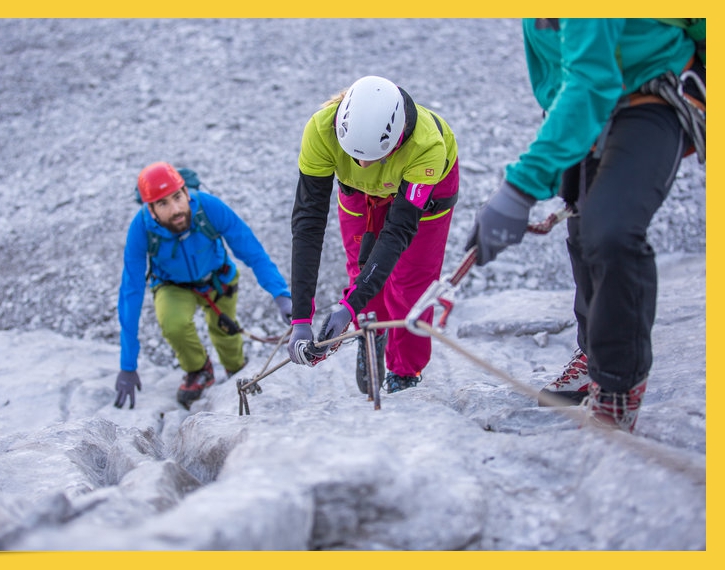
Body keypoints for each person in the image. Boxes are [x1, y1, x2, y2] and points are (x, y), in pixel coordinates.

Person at [465, 19, 705, 432]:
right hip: (590, 106)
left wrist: (520, 189)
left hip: (654, 91)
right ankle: (595, 355)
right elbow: (563, 69)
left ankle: (616, 384)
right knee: (581, 228)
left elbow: (592, 79)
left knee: (611, 233)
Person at [287, 75, 460, 394]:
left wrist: (349, 306)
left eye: (373, 156)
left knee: (410, 282)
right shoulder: (320, 129)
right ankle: (372, 332)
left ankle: (405, 371)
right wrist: (301, 317)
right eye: (355, 154)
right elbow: (308, 223)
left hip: (425, 194)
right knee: (360, 268)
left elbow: (397, 233)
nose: (364, 163)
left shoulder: (427, 146)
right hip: (359, 192)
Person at [114, 162, 292, 410]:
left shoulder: (209, 208)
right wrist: (128, 365)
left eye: (177, 197)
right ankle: (198, 369)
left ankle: (235, 368)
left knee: (225, 332)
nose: (175, 209)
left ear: (186, 192)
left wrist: (280, 293)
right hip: (172, 285)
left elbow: (251, 250)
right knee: (173, 324)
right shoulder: (141, 229)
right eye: (163, 204)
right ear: (151, 209)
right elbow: (130, 292)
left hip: (218, 279)